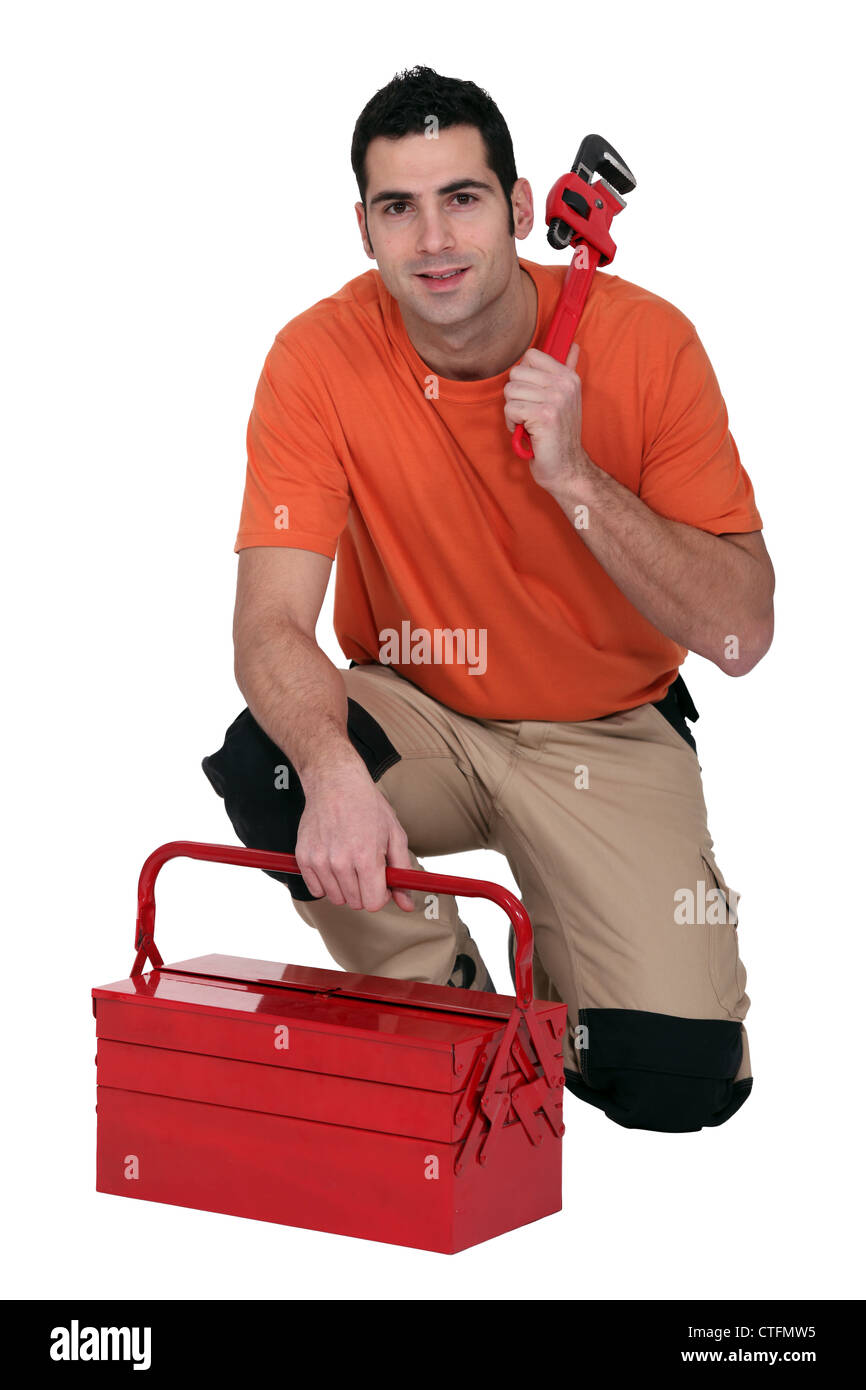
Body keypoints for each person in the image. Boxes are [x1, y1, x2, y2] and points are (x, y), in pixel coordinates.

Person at [202, 65, 775, 1134]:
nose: (432, 239)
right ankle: (456, 1017)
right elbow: (269, 624)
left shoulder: (649, 345)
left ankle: (578, 955)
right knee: (271, 762)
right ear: (362, 228)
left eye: (461, 198)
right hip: (421, 713)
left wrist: (572, 477)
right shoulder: (315, 358)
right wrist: (333, 771)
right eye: (397, 207)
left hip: (604, 730)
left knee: (669, 1084)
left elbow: (741, 632)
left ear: (518, 208)